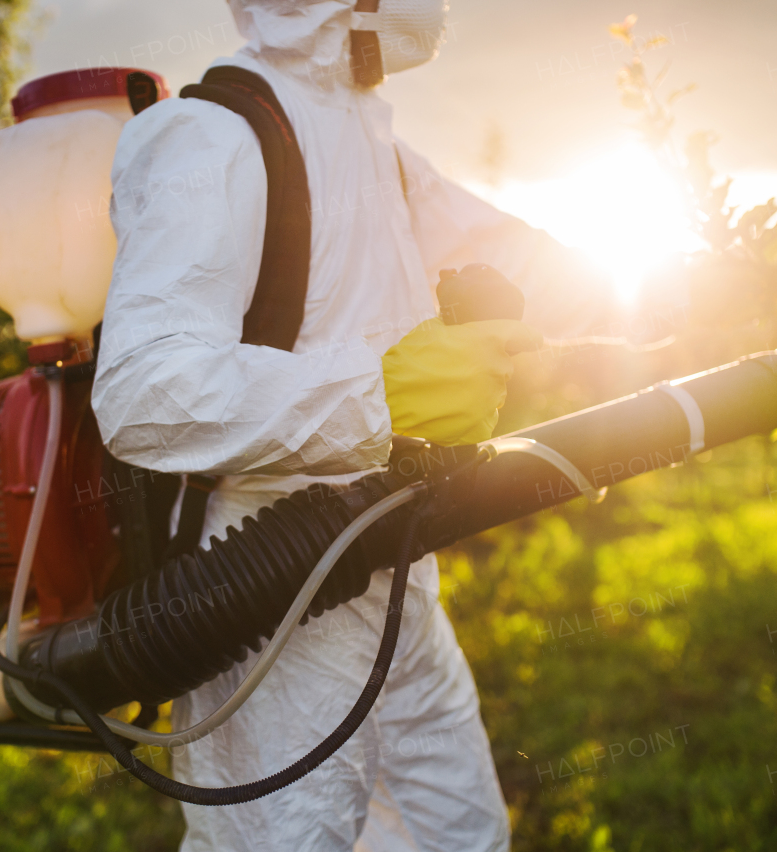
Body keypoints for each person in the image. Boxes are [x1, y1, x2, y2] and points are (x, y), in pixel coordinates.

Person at [92, 1, 595, 848]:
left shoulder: (373, 146)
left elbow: (524, 265)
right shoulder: (211, 137)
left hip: (398, 566)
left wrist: (712, 288)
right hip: (274, 593)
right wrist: (378, 399)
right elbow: (146, 389)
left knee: (460, 834)